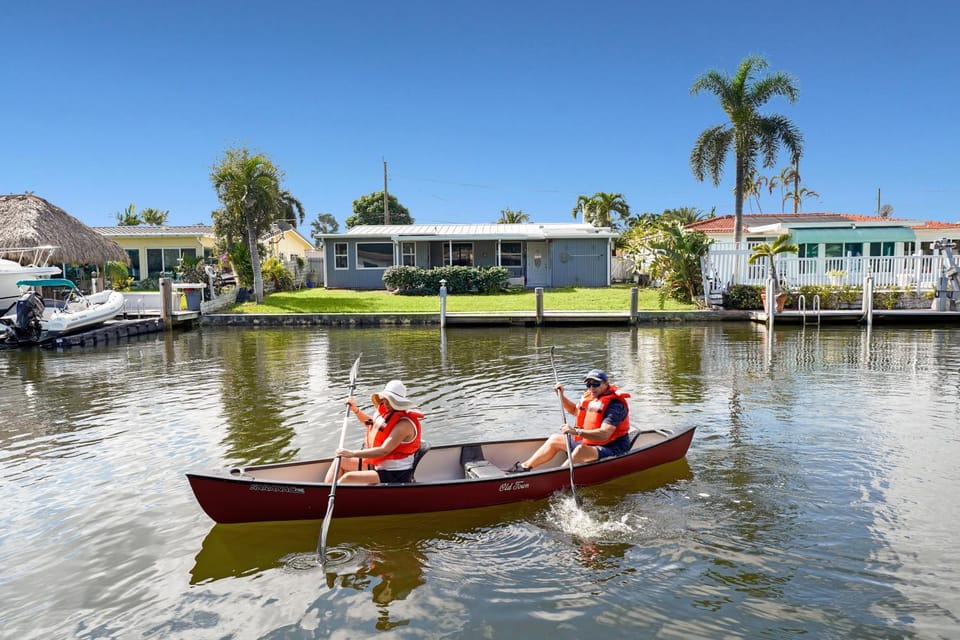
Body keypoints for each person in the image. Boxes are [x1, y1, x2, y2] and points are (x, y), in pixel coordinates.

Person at [510, 369, 630, 473]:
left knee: (580, 451)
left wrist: (576, 432)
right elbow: (574, 410)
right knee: (554, 439)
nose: (592, 388)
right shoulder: (591, 397)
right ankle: (523, 468)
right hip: (591, 442)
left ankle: (557, 476)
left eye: (596, 384)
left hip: (613, 447)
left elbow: (604, 434)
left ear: (606, 384)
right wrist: (561, 396)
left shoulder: (615, 405)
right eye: (588, 384)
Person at [324, 379, 424, 484]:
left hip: (395, 473)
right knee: (340, 461)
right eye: (385, 398)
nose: (385, 402)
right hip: (379, 464)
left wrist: (352, 453)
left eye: (390, 400)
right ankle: (325, 495)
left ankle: (336, 497)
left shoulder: (404, 424)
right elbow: (371, 424)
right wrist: (356, 410)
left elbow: (384, 450)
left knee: (347, 477)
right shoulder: (389, 413)